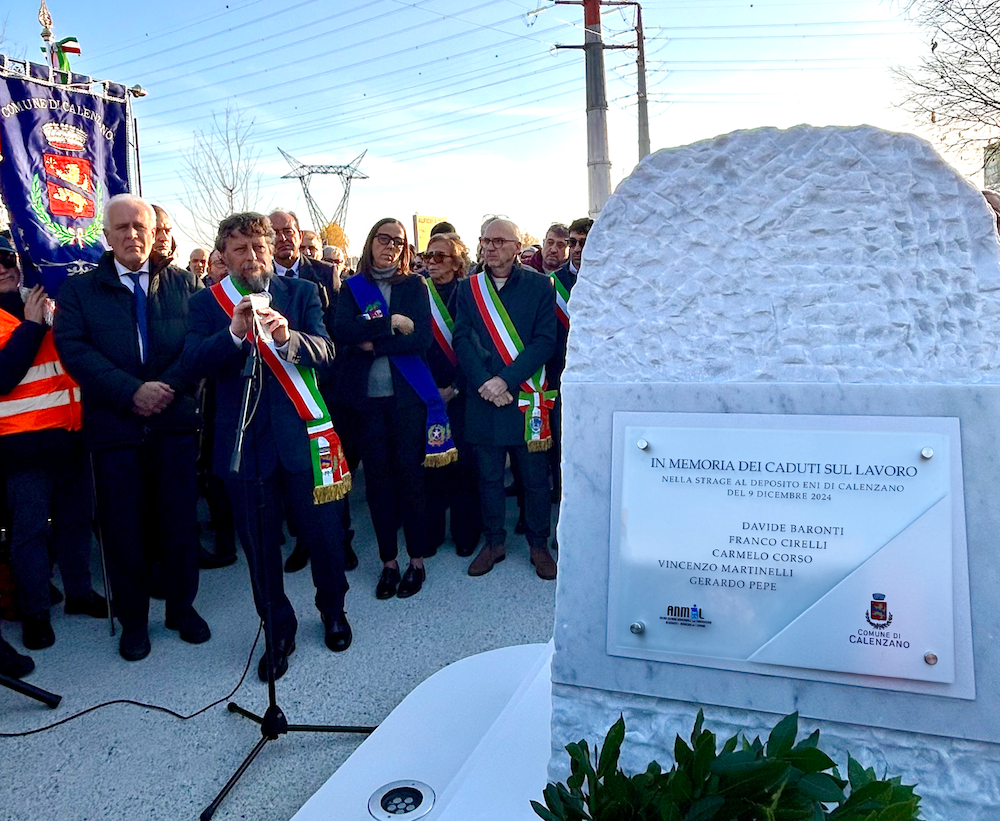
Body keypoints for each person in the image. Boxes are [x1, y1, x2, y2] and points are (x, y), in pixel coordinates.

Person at [183, 212, 352, 681]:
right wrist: (235, 334)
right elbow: (193, 361)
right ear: (223, 256)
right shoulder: (206, 304)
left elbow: (327, 351)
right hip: (245, 444)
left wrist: (286, 337)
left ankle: (332, 610)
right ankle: (278, 628)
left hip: (302, 436)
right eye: (241, 249)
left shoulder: (300, 293)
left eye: (259, 246)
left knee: (324, 536)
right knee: (259, 548)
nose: (253, 255)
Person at [54, 194, 208, 661]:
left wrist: (165, 387)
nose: (131, 235)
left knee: (179, 524)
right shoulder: (80, 292)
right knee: (124, 530)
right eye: (121, 228)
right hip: (114, 429)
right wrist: (130, 392)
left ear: (154, 231)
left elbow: (197, 347)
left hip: (175, 424)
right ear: (106, 235)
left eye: (140, 227)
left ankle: (181, 609)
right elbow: (75, 349)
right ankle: (134, 622)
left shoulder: (186, 284)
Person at [335, 218, 455, 600]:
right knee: (379, 485)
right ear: (371, 242)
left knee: (411, 480)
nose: (390, 246)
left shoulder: (414, 285)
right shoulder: (353, 288)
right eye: (384, 239)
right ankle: (389, 562)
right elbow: (342, 332)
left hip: (407, 401)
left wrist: (372, 341)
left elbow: (419, 339)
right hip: (367, 404)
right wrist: (390, 325)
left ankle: (416, 561)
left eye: (399, 242)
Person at [0, 238, 106, 650]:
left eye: (10, 260)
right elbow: (4, 378)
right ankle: (35, 611)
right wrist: (31, 325)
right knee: (28, 533)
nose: (5, 268)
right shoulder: (30, 314)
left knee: (76, 521)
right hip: (22, 446)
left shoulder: (48, 302)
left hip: (70, 435)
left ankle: (79, 592)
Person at [452, 218, 558, 580]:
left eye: (499, 240)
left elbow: (545, 341)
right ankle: (494, 541)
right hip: (484, 398)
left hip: (526, 396)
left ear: (517, 246)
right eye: (485, 240)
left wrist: (503, 380)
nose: (491, 246)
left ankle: (538, 544)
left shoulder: (541, 286)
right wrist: (485, 382)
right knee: (489, 477)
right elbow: (462, 341)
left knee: (534, 478)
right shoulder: (469, 289)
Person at [423, 232, 482, 558]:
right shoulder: (418, 291)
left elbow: (475, 345)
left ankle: (465, 532)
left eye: (439, 257)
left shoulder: (471, 293)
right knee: (431, 463)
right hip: (426, 391)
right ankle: (431, 532)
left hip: (461, 391)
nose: (431, 262)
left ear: (457, 262)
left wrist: (456, 387)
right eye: (427, 255)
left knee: (463, 464)